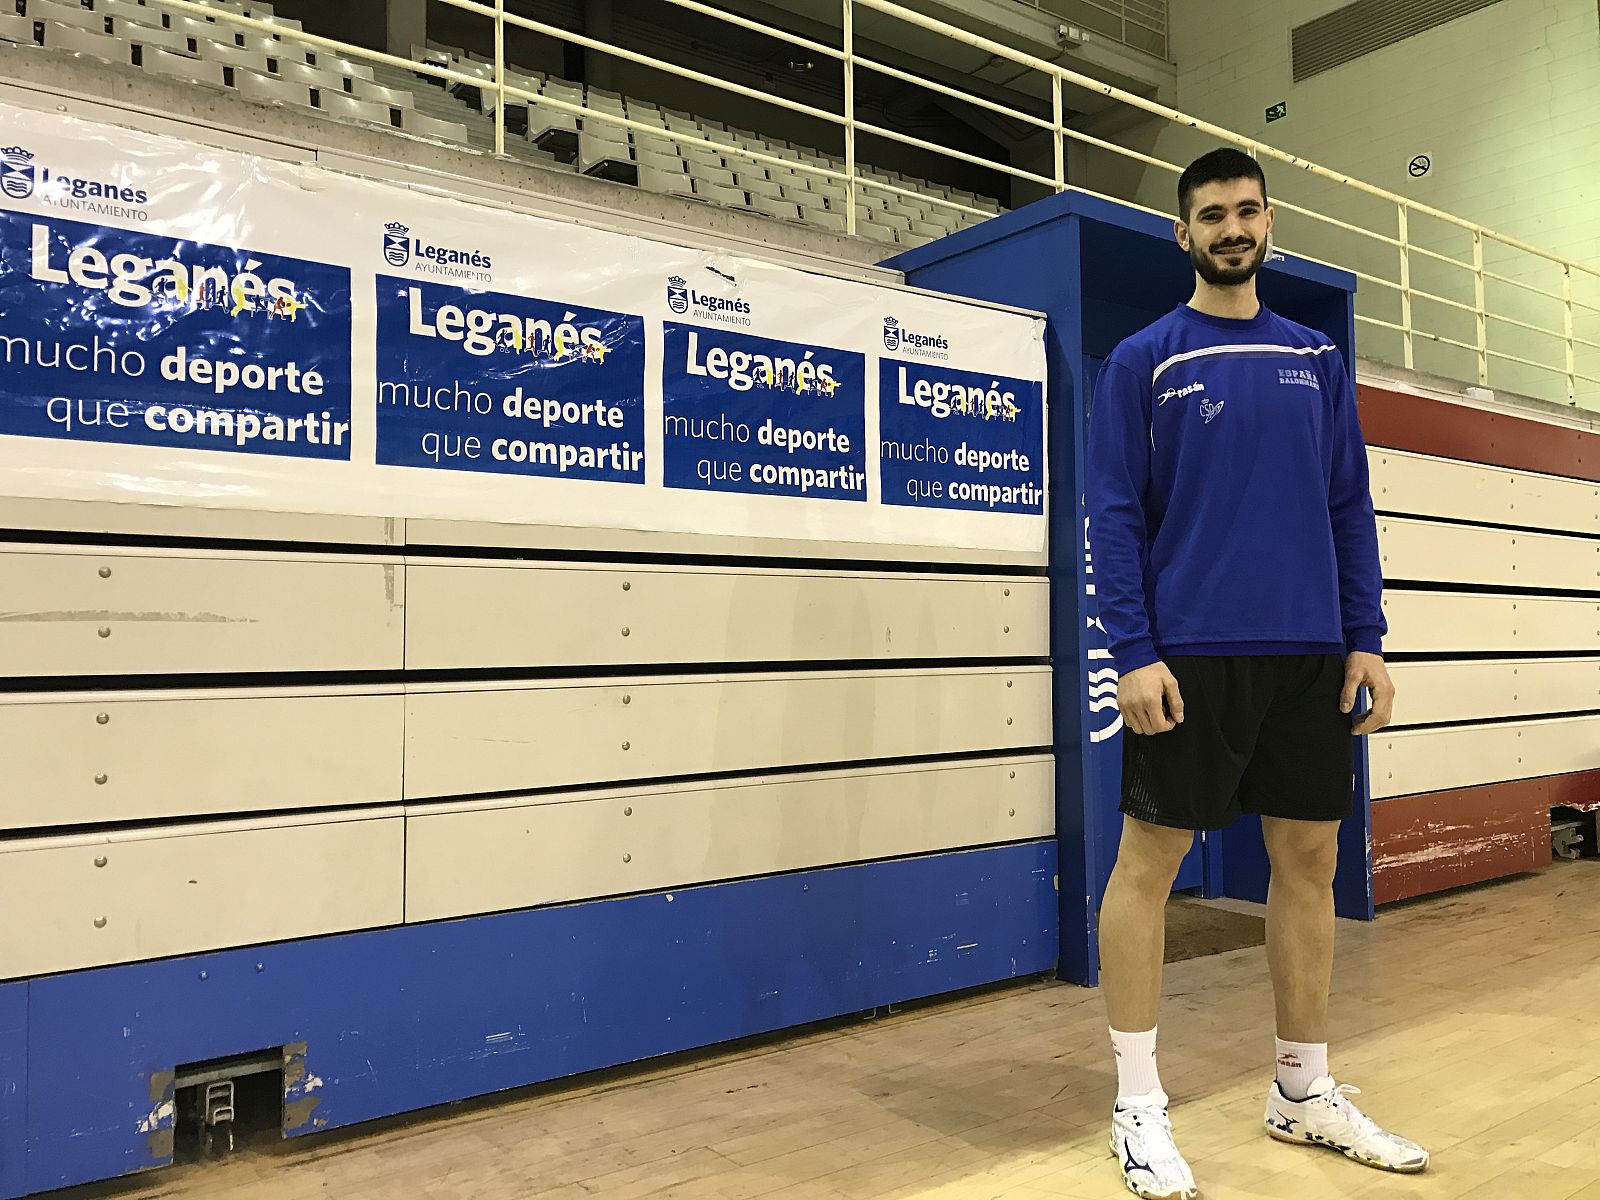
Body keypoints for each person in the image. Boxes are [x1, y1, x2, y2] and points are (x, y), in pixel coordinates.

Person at [1085, 147, 1426, 1200]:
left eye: (1244, 211)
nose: (1230, 228)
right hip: (1190, 655)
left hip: (1309, 655)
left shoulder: (1314, 359)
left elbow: (1345, 506)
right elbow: (1112, 512)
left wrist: (1364, 634)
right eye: (1209, 215)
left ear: (1267, 221)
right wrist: (1132, 651)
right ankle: (1137, 1106)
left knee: (1310, 862)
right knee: (1149, 864)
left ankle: (1301, 1090)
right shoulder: (1144, 359)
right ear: (1181, 235)